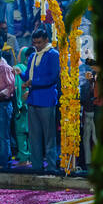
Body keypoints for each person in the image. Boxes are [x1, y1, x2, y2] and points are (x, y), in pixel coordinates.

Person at [23, 27, 60, 172]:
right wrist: (20, 74)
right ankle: (37, 167)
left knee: (49, 137)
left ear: (46, 40)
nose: (37, 45)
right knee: (34, 138)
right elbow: (28, 77)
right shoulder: (32, 56)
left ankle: (51, 167)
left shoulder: (53, 54)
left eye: (39, 43)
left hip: (46, 100)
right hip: (33, 100)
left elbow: (52, 78)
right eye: (34, 43)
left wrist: (32, 83)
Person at [0, 44, 16, 169]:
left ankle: (5, 162)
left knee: (3, 134)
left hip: (4, 104)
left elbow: (11, 87)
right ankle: (4, 160)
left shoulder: (4, 68)